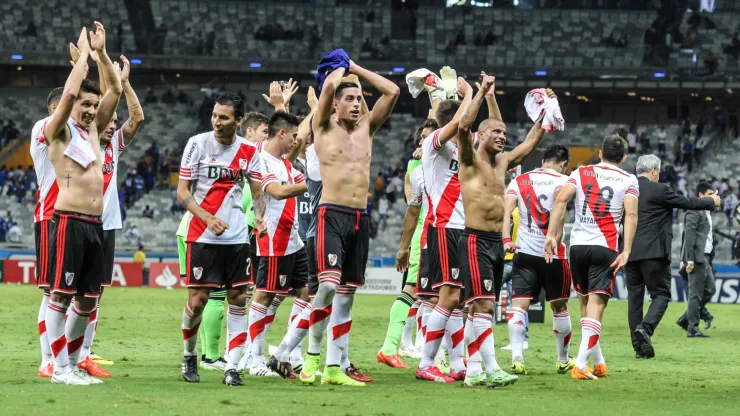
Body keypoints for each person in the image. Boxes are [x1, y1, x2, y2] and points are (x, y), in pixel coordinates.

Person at [300, 55, 399, 387]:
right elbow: (329, 85)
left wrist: (355, 68)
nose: (357, 104)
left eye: (360, 99)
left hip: (360, 218)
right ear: (335, 106)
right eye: (350, 99)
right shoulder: (322, 127)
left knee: (347, 294)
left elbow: (393, 91)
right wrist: (340, 73)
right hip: (331, 214)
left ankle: (333, 368)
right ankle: (312, 356)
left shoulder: (367, 128)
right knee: (327, 286)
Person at [455, 76, 550, 387]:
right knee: (482, 305)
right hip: (474, 239)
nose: (502, 137)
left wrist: (544, 113)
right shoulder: (469, 158)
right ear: (480, 135)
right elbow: (460, 128)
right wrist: (481, 92)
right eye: (495, 132)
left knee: (481, 308)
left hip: (497, 242)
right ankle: (490, 367)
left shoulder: (504, 162)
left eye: (504, 133)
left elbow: (529, 144)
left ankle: (472, 372)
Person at [43, 22, 122, 385]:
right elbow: (72, 92)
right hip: (70, 220)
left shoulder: (92, 132)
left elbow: (116, 90)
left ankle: (73, 364)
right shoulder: (56, 130)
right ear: (69, 106)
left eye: (94, 105)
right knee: (61, 296)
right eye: (85, 105)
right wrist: (83, 61)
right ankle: (58, 367)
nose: (92, 110)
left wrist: (103, 54)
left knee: (88, 301)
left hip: (96, 224)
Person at [177, 93, 266, 386]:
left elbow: (257, 191)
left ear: (238, 121)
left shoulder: (249, 151)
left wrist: (261, 217)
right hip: (201, 235)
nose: (217, 122)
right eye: (215, 115)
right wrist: (207, 218)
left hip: (237, 237)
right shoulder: (197, 144)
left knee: (239, 298)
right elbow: (182, 192)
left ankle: (233, 366)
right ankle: (190, 355)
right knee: (198, 300)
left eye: (224, 117)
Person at [545, 134, 639, 381]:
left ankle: (599, 362)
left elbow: (561, 200)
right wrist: (626, 250)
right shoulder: (629, 180)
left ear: (600, 153)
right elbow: (630, 215)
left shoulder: (580, 172)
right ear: (624, 158)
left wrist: (551, 236)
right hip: (603, 247)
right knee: (597, 306)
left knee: (586, 305)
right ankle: (581, 364)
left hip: (577, 246)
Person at [625, 155, 718, 359]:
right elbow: (687, 202)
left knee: (634, 299)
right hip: (654, 253)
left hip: (629, 252)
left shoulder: (627, 188)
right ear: (654, 171)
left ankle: (638, 347)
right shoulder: (659, 189)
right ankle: (646, 329)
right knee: (661, 294)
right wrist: (710, 201)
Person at [503, 144, 575, 375]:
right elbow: (559, 209)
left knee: (519, 306)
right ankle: (562, 359)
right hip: (553, 254)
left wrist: (506, 239)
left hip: (524, 252)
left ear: (543, 160)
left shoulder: (519, 180)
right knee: (560, 307)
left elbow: (506, 212)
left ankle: (516, 358)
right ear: (564, 163)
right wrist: (554, 237)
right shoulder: (563, 182)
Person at [248, 112, 308, 377]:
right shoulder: (261, 161)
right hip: (274, 240)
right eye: (293, 136)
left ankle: (286, 352)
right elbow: (277, 192)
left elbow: (300, 183)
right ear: (281, 133)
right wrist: (318, 184)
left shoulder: (285, 164)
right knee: (264, 295)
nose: (297, 141)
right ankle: (254, 358)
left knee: (309, 294)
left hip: (294, 240)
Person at [381, 118, 438, 369]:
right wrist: (404, 247)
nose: (425, 141)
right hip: (426, 235)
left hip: (447, 235)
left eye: (431, 136)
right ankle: (391, 346)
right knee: (414, 290)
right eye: (422, 137)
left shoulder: (452, 162)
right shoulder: (417, 168)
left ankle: (437, 356)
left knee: (443, 297)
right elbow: (412, 208)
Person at [30, 87, 63, 379]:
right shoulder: (43, 126)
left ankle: (65, 358)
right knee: (51, 292)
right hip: (49, 218)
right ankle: (46, 359)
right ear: (56, 108)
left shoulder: (73, 135)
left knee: (68, 292)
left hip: (72, 219)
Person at [676, 183, 718, 338]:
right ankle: (692, 328)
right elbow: (689, 236)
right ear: (701, 195)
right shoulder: (694, 211)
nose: (713, 196)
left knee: (710, 289)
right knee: (695, 294)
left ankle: (686, 319)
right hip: (697, 257)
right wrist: (689, 259)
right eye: (710, 193)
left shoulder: (707, 211)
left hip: (705, 257)